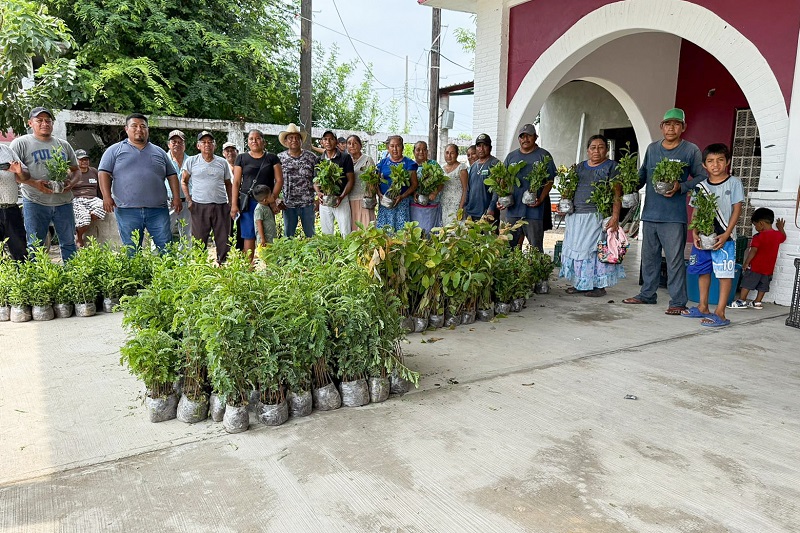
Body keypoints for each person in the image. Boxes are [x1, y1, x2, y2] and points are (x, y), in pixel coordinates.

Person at [622, 108, 708, 315]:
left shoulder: (690, 150)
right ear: (661, 127)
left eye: (676, 124)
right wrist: (627, 183)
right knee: (649, 258)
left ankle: (678, 301)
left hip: (673, 217)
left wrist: (681, 186)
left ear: (683, 128)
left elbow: (701, 177)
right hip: (650, 213)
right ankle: (647, 294)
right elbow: (643, 174)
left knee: (674, 260)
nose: (672, 128)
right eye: (668, 124)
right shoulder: (652, 149)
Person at [680, 143, 743, 326]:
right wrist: (695, 233)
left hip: (725, 238)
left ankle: (721, 313)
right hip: (704, 237)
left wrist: (726, 234)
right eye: (710, 161)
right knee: (703, 271)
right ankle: (702, 306)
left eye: (720, 160)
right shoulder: (700, 186)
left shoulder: (734, 183)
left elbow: (737, 210)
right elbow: (696, 211)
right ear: (705, 165)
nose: (715, 165)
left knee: (724, 274)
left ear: (728, 162)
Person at [98, 113, 181, 251]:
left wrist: (176, 197)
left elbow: (172, 175)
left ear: (147, 130)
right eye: (134, 126)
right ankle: (135, 273)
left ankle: (166, 273)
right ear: (126, 129)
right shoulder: (114, 150)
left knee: (165, 248)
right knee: (132, 250)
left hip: (158, 210)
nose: (139, 129)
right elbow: (103, 173)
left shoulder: (159, 152)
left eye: (143, 126)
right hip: (127, 210)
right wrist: (106, 197)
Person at [11, 107, 80, 262]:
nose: (44, 123)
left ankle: (73, 277)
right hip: (35, 201)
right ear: (30, 123)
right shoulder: (20, 143)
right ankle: (37, 279)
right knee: (35, 245)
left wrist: (71, 183)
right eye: (39, 120)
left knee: (69, 242)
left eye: (48, 120)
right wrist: (34, 183)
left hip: (64, 202)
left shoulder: (63, 145)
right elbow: (13, 174)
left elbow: (76, 171)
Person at [559, 135, 625, 297]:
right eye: (593, 147)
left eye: (601, 147)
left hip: (596, 216)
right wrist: (563, 204)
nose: (597, 150)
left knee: (593, 251)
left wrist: (615, 217)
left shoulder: (612, 167)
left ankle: (598, 286)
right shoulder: (579, 167)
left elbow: (617, 193)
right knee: (576, 250)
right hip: (575, 216)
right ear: (588, 151)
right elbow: (569, 189)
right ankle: (580, 283)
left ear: (607, 150)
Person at [490, 124, 556, 251]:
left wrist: (541, 199)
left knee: (535, 248)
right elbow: (502, 179)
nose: (525, 139)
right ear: (519, 139)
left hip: (534, 211)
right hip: (513, 210)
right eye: (522, 136)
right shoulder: (511, 156)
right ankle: (511, 271)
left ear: (535, 137)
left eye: (529, 136)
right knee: (509, 247)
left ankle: (536, 270)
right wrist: (500, 199)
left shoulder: (543, 155)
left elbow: (549, 181)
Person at [181, 131, 232, 264]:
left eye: (210, 142)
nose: (207, 145)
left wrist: (231, 203)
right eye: (203, 142)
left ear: (215, 146)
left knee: (223, 239)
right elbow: (184, 182)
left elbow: (228, 184)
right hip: (199, 206)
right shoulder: (192, 161)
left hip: (221, 205)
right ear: (198, 146)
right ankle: (200, 266)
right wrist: (189, 200)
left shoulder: (222, 162)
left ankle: (223, 265)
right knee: (199, 239)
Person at [231, 129, 282, 261]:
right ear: (247, 141)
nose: (254, 141)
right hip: (248, 203)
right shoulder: (241, 158)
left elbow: (279, 180)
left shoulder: (272, 158)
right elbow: (236, 182)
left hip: (266, 204)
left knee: (267, 233)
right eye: (251, 139)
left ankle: (269, 267)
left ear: (263, 141)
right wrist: (234, 205)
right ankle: (249, 267)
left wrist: (272, 200)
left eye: (258, 138)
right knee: (249, 234)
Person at [728, 208, 786, 310]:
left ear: (761, 223)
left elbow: (753, 251)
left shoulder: (758, 237)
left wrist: (746, 263)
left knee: (747, 283)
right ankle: (757, 302)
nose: (755, 227)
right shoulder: (777, 235)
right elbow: (783, 237)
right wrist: (780, 227)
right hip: (769, 269)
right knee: (763, 286)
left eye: (755, 225)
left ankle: (742, 301)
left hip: (756, 267)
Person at [277, 123, 317, 238]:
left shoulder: (311, 157)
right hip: (288, 204)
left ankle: (315, 255)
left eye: (296, 138)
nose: (294, 140)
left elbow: (317, 179)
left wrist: (318, 199)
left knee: (311, 236)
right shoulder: (279, 158)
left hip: (308, 204)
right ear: (285, 142)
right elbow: (275, 180)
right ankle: (288, 256)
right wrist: (277, 199)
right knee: (288, 237)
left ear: (301, 141)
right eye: (290, 138)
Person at [316, 130, 355, 237]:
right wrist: (318, 193)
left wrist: (341, 197)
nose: (328, 142)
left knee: (345, 232)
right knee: (326, 233)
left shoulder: (345, 157)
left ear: (336, 141)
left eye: (331, 139)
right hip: (324, 202)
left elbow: (351, 180)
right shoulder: (319, 160)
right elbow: (315, 180)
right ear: (322, 142)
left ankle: (347, 253)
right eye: (325, 139)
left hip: (341, 200)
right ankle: (329, 253)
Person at [376, 135, 418, 232]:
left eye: (398, 146)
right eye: (392, 146)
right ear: (388, 148)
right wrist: (379, 194)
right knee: (384, 230)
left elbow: (414, 184)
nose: (395, 149)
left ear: (402, 147)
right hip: (385, 202)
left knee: (401, 230)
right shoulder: (382, 163)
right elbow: (376, 181)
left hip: (401, 203)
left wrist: (402, 196)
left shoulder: (408, 163)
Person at [71, 149, 106, 248]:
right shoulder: (71, 172)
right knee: (85, 220)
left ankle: (84, 220)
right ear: (76, 160)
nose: (84, 161)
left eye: (86, 159)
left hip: (93, 199)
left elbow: (100, 187)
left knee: (104, 207)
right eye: (81, 160)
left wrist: (104, 198)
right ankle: (79, 236)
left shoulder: (94, 171)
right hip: (77, 199)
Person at [0, 145, 27, 260]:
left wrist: (19, 171)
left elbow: (25, 176)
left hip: (12, 209)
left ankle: (22, 277)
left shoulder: (7, 150)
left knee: (20, 251)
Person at [409, 140, 443, 235]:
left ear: (427, 152)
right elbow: (408, 184)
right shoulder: (410, 166)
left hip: (430, 207)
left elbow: (442, 182)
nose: (421, 152)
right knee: (416, 232)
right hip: (414, 206)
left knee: (429, 232)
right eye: (418, 150)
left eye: (424, 150)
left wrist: (434, 192)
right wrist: (413, 193)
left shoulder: (433, 164)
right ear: (413, 152)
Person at [464, 134, 500, 221]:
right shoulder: (473, 166)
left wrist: (491, 208)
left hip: (488, 213)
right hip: (472, 213)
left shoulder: (495, 164)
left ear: (490, 148)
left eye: (485, 145)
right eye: (479, 146)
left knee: (490, 235)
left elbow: (497, 190)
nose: (481, 149)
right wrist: (466, 207)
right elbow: (469, 189)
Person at [346, 134, 376, 231]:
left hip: (364, 200)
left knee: (366, 230)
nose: (352, 145)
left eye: (355, 143)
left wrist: (370, 196)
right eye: (349, 143)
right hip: (349, 200)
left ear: (360, 145)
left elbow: (372, 180)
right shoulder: (346, 160)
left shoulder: (367, 160)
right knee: (353, 231)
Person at [166, 130, 191, 241]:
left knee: (187, 235)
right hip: (168, 202)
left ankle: (184, 258)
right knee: (163, 232)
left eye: (180, 142)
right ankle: (159, 258)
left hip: (187, 203)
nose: (177, 144)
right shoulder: (163, 159)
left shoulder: (191, 161)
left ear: (184, 145)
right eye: (174, 141)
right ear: (168, 144)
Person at [439, 143, 469, 224]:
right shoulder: (441, 168)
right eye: (447, 153)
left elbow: (465, 189)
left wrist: (461, 208)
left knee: (456, 230)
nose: (449, 156)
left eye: (452, 153)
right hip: (445, 204)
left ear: (457, 154)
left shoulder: (461, 168)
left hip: (457, 205)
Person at [222, 141, 243, 250]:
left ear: (237, 152)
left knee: (241, 227)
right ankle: (227, 251)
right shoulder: (221, 166)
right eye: (227, 151)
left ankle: (240, 250)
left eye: (232, 150)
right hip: (226, 201)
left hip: (241, 200)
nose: (230, 153)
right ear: (223, 153)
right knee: (227, 228)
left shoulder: (242, 166)